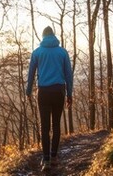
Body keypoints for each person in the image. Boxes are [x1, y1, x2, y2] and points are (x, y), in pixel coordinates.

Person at [25, 26, 73, 167]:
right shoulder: (63, 52)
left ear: (43, 36)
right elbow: (69, 76)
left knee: (44, 127)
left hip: (43, 92)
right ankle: (54, 157)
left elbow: (31, 74)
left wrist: (28, 91)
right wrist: (69, 94)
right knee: (56, 125)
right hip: (59, 91)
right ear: (53, 36)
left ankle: (45, 160)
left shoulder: (37, 53)